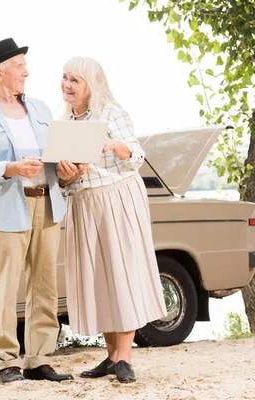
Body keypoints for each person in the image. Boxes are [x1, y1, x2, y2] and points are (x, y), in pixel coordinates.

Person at [0, 38, 73, 384]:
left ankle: (39, 358)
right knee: (5, 286)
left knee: (44, 286)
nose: (27, 71)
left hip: (47, 203)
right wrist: (10, 168)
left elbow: (57, 154)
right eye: (20, 65)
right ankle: (7, 360)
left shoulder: (41, 109)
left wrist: (69, 169)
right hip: (8, 207)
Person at [56, 56, 167, 383]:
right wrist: (67, 174)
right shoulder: (65, 124)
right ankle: (110, 355)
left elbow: (135, 157)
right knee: (98, 277)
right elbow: (64, 182)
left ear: (92, 83)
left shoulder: (111, 113)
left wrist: (116, 146)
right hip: (85, 205)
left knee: (122, 272)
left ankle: (125, 359)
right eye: (64, 78)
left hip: (117, 199)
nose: (66, 84)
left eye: (74, 79)